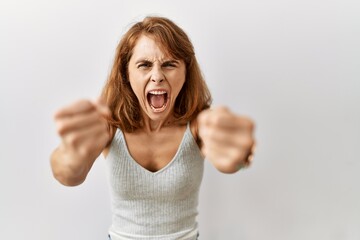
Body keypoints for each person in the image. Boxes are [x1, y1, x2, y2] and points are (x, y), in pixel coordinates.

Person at [50, 16, 256, 240]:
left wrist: (241, 157)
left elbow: (233, 162)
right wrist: (71, 156)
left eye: (169, 64)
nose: (157, 76)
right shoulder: (109, 125)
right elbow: (67, 174)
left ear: (186, 74)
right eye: (145, 65)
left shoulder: (199, 124)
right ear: (126, 74)